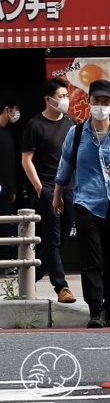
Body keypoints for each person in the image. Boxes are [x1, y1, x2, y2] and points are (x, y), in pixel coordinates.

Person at [53, 79, 110, 328]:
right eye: (96, 101)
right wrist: (57, 194)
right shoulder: (78, 132)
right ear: (89, 102)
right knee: (91, 258)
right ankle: (95, 310)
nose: (101, 106)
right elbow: (66, 165)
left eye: (105, 102)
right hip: (86, 202)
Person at [21, 79, 77, 303]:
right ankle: (61, 287)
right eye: (61, 96)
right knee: (52, 239)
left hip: (70, 188)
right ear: (48, 99)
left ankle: (32, 275)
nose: (65, 100)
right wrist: (39, 188)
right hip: (46, 187)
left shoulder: (72, 123)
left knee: (62, 239)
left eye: (66, 95)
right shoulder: (34, 125)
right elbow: (27, 160)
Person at [0, 92, 20, 271]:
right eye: (15, 110)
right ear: (7, 110)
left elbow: (8, 162)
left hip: (5, 188)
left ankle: (10, 262)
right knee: (7, 224)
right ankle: (10, 262)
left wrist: (11, 187)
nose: (16, 114)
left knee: (9, 223)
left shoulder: (7, 133)